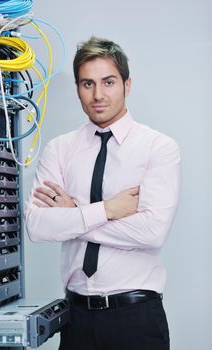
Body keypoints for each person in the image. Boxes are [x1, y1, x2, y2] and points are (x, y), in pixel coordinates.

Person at [25, 36, 181, 350]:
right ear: (77, 88)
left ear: (127, 84)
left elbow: (151, 232)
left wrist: (73, 213)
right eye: (87, 84)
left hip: (136, 318)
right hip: (76, 319)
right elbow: (37, 226)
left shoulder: (158, 148)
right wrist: (106, 209)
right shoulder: (59, 149)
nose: (98, 95)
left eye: (108, 82)